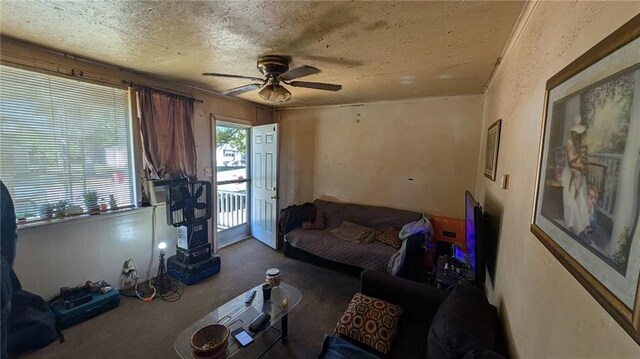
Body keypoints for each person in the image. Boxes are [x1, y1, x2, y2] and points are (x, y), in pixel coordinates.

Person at [561, 115, 591, 236]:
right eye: (576, 134)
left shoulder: (578, 142)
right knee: (570, 200)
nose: (577, 136)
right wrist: (579, 157)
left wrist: (581, 165)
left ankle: (584, 225)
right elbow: (570, 163)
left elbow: (579, 161)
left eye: (579, 134)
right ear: (572, 133)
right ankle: (573, 225)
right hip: (569, 173)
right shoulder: (569, 144)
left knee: (581, 197)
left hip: (577, 173)